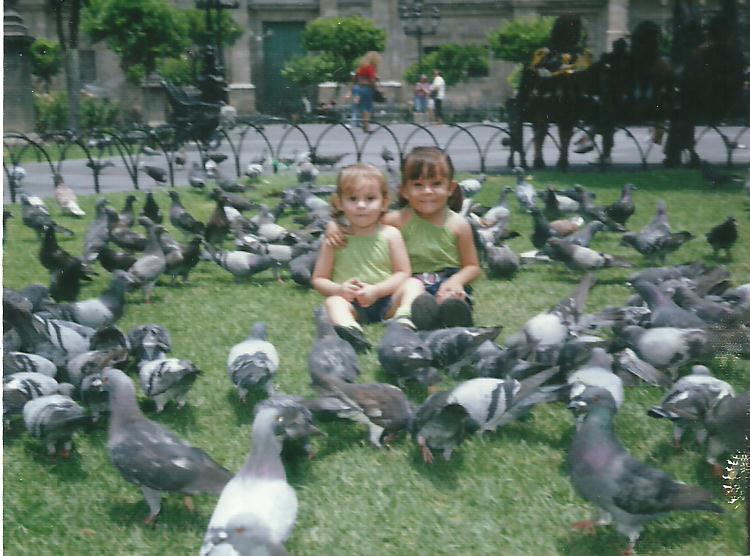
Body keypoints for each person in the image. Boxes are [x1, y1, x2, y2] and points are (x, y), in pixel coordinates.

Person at [326, 147, 481, 330]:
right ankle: (425, 316)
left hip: (446, 281)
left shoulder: (458, 224)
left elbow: (472, 266)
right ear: (405, 190)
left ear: (450, 188)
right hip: (410, 284)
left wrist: (457, 281)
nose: (427, 191)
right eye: (418, 185)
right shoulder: (397, 219)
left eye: (436, 184)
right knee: (414, 295)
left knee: (450, 298)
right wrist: (335, 225)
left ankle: (452, 313)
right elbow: (362, 221)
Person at [312, 163, 416, 352]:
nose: (361, 205)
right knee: (332, 303)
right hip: (352, 304)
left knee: (414, 284)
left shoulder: (391, 234)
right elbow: (319, 279)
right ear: (339, 203)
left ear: (384, 202)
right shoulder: (335, 240)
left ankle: (404, 319)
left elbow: (403, 273)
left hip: (387, 300)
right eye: (352, 199)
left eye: (370, 198)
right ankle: (351, 331)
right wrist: (339, 289)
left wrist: (377, 290)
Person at [518, 14, 592, 170]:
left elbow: (586, 75)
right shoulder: (546, 52)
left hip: (566, 100)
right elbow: (532, 74)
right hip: (547, 100)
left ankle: (559, 156)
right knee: (544, 117)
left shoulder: (578, 53)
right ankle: (542, 156)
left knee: (563, 117)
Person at [354, 51, 381, 133]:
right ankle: (367, 126)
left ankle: (364, 125)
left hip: (360, 88)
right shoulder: (370, 68)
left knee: (363, 107)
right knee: (368, 108)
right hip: (368, 88)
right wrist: (376, 88)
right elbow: (372, 79)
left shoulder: (361, 67)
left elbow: (356, 77)